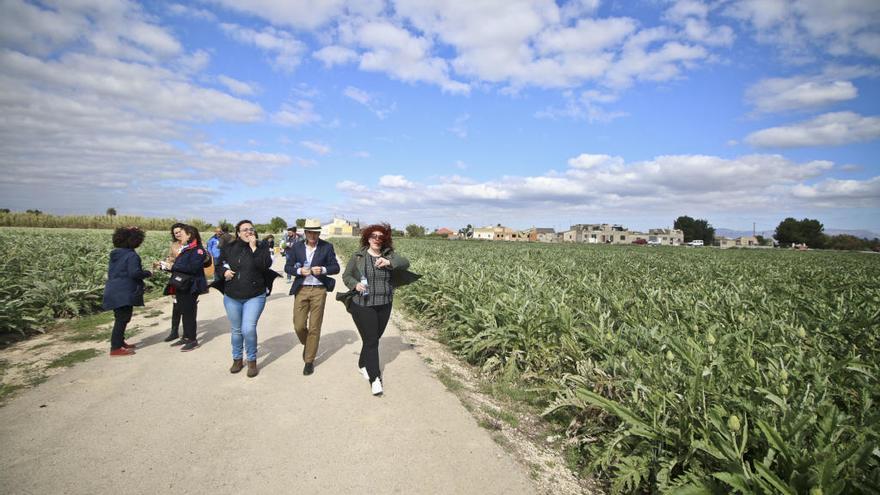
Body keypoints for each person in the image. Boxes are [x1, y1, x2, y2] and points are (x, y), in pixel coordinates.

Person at [342, 223, 418, 396]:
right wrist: (356, 284)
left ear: (385, 240)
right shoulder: (359, 256)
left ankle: (362, 364)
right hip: (364, 304)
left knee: (374, 338)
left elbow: (405, 263)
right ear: (367, 238)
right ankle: (375, 379)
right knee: (372, 341)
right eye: (373, 236)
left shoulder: (388, 255)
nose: (377, 239)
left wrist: (389, 262)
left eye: (380, 237)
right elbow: (346, 276)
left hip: (385, 303)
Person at [217, 220, 274, 377]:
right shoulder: (229, 248)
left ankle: (252, 361)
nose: (249, 232)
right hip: (232, 296)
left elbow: (265, 265)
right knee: (236, 330)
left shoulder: (261, 247)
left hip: (255, 295)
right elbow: (219, 264)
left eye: (251, 229)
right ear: (238, 233)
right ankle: (237, 359)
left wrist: (254, 248)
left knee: (248, 328)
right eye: (245, 230)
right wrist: (223, 272)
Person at [284, 219, 339, 375]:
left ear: (319, 233)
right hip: (301, 289)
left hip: (319, 290)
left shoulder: (327, 247)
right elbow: (287, 267)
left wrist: (322, 269)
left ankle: (309, 360)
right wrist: (300, 271)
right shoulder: (297, 247)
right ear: (305, 233)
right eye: (310, 232)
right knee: (299, 326)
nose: (313, 235)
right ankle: (309, 345)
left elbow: (335, 267)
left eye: (316, 232)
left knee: (315, 327)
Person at [102, 227, 152, 357]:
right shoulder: (131, 255)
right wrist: (147, 273)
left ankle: (120, 342)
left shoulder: (116, 253)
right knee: (122, 319)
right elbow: (134, 273)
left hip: (113, 289)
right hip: (124, 291)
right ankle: (116, 347)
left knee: (121, 318)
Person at [163, 225, 209, 352]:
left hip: (191, 286)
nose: (178, 236)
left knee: (189, 313)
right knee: (183, 310)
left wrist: (172, 267)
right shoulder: (187, 248)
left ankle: (192, 339)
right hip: (182, 285)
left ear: (189, 235)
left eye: (181, 234)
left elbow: (192, 268)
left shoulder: (198, 250)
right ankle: (186, 336)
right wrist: (167, 266)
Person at [154, 222, 186, 342]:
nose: (178, 234)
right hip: (177, 278)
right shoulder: (174, 245)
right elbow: (170, 258)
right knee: (176, 304)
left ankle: (188, 333)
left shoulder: (193, 244)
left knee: (187, 306)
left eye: (179, 232)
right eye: (175, 233)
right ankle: (174, 331)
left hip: (188, 279)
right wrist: (164, 263)